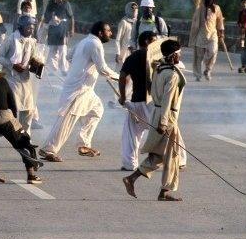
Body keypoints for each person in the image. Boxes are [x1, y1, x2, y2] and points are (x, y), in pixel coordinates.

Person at [39, 21, 119, 162]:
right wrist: (120, 77)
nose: (111, 33)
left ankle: (83, 144)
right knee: (66, 121)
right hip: (79, 88)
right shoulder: (95, 44)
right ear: (100, 33)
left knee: (97, 110)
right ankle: (48, 150)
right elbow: (103, 69)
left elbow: (69, 57)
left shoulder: (85, 41)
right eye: (108, 31)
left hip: (86, 89)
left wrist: (83, 66)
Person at [123, 39, 186, 202]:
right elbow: (167, 100)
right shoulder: (171, 74)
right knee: (172, 154)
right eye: (179, 54)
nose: (180, 56)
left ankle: (134, 179)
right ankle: (163, 191)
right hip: (167, 117)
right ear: (173, 56)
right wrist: (164, 123)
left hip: (157, 113)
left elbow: (153, 90)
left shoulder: (158, 69)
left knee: (160, 154)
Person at [118, 31, 158, 171]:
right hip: (153, 102)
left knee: (131, 134)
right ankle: (178, 160)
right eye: (154, 40)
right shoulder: (155, 57)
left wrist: (123, 97)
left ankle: (129, 164)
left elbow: (122, 76)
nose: (156, 43)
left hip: (136, 101)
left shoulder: (132, 57)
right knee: (166, 132)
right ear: (147, 41)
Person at [0, 14, 39, 135]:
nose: (31, 30)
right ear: (21, 27)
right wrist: (12, 65)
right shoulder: (11, 39)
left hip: (25, 79)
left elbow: (32, 58)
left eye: (32, 28)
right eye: (28, 28)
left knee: (29, 109)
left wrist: (36, 64)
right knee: (11, 109)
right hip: (10, 78)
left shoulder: (32, 41)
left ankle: (24, 136)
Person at [189, 0, 225, 81]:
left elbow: (220, 20)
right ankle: (198, 74)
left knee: (213, 51)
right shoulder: (200, 6)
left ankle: (208, 70)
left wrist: (221, 32)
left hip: (212, 34)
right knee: (198, 56)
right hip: (201, 33)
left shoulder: (216, 8)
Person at [42, 0, 74, 75]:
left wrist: (72, 29)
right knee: (52, 49)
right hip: (52, 28)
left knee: (63, 49)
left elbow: (71, 17)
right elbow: (46, 17)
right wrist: (50, 19)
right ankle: (53, 69)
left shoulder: (66, 3)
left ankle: (64, 69)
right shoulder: (50, 3)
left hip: (63, 28)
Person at [115, 2, 138, 66]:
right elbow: (117, 39)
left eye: (135, 9)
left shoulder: (137, 22)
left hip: (134, 51)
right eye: (132, 9)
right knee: (121, 72)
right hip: (124, 52)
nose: (134, 11)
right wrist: (117, 52)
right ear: (127, 10)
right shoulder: (124, 22)